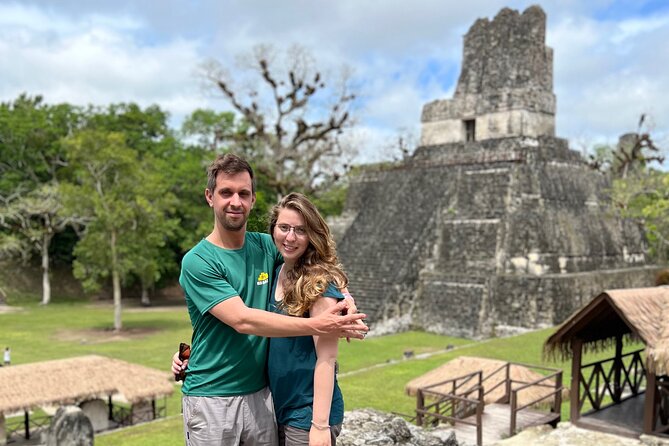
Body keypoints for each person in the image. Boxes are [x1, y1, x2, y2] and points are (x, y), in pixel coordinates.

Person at [175, 153, 367, 446]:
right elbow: (242, 319)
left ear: (253, 200)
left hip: (263, 397)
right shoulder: (198, 261)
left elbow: (314, 261)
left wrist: (343, 293)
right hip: (212, 396)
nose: (235, 201)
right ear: (209, 197)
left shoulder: (266, 245)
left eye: (244, 193)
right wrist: (319, 325)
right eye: (226, 192)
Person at [267, 192, 349, 446]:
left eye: (300, 230)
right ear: (273, 230)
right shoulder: (276, 269)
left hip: (307, 413)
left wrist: (320, 426)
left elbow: (327, 357)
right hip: (279, 408)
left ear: (312, 236)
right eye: (284, 227)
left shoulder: (319, 284)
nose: (290, 237)